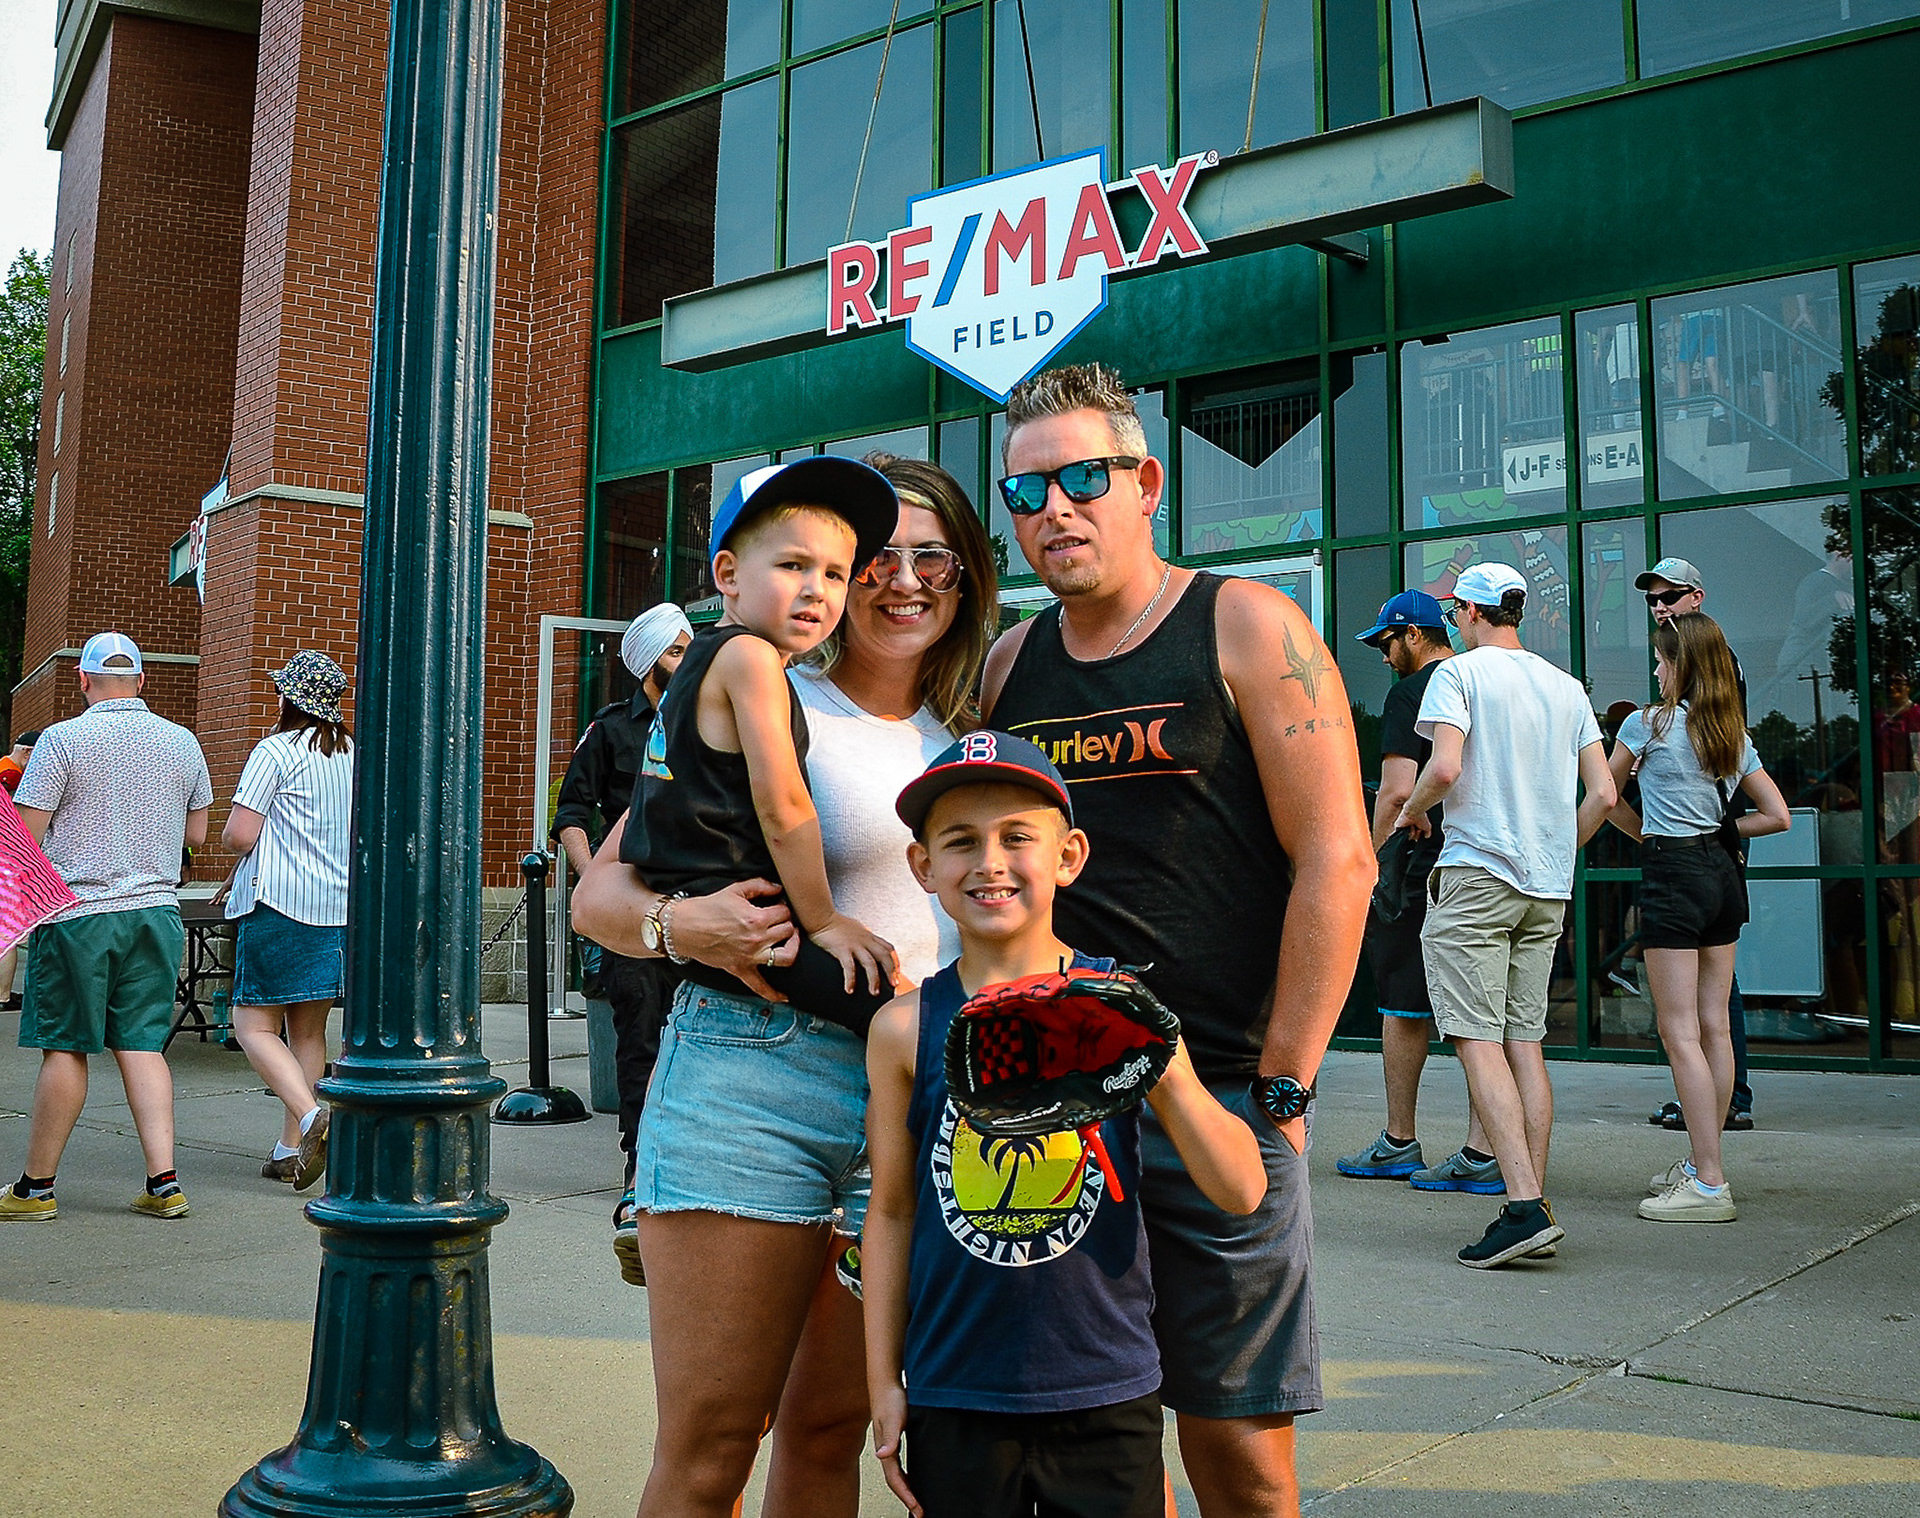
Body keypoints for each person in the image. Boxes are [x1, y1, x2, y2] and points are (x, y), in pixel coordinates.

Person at [570, 451, 999, 1518]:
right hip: (753, 1080)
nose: (903, 581)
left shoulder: (971, 733)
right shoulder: (762, 682)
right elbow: (600, 898)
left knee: (829, 1426)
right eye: (877, 559)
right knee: (714, 1441)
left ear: (966, 577)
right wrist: (685, 927)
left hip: (912, 1095)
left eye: (934, 559)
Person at [981, 362, 1375, 1517]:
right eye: (1026, 491)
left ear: (1146, 484)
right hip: (1058, 1110)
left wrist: (1284, 1091)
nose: (1055, 510)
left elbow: (1338, 860)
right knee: (1098, 1446)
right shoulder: (1011, 664)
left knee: (1239, 1450)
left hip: (1221, 1101)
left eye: (1083, 480)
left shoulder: (1245, 624)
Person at [865, 733, 1265, 1518]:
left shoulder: (1121, 1004)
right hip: (955, 1385)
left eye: (1018, 837)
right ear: (923, 866)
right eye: (960, 841)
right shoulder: (904, 1028)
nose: (990, 862)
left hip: (1104, 1379)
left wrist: (1161, 1064)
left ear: (1069, 856)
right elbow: (892, 1211)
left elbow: (1243, 1190)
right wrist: (884, 1380)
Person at [619, 457, 901, 1019]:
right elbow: (782, 804)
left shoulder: (701, 660)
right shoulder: (751, 657)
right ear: (728, 575)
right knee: (906, 1016)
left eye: (836, 574)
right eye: (793, 565)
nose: (815, 590)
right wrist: (825, 921)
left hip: (696, 905)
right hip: (746, 913)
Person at [1393, 564, 1616, 1267]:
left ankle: (1522, 1207)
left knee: (1475, 1038)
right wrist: (1555, 848)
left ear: (1468, 612)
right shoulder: (1567, 686)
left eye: (1454, 611)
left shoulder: (1458, 675)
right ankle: (1533, 1203)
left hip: (1478, 874)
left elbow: (1444, 769)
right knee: (1525, 1041)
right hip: (1545, 887)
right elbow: (1604, 794)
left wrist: (1410, 811)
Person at [0, 632, 212, 1222]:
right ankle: (164, 1184)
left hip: (79, 916)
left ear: (83, 679)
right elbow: (196, 836)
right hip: (156, 913)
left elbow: (25, 838)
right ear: (142, 680)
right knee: (142, 1045)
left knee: (66, 1047)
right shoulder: (183, 740)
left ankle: (35, 1190)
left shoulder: (62, 740)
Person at [1604, 615, 1789, 1223]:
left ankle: (1709, 1183)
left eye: (1662, 660)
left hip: (1674, 874)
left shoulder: (1646, 724)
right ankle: (1704, 1163)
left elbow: (1605, 796)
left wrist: (1644, 832)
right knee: (1714, 1027)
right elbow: (1778, 815)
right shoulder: (1730, 733)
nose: (1656, 670)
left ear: (1681, 665)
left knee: (1679, 1030)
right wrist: (1724, 832)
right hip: (1722, 873)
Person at [1335, 591, 1500, 1191]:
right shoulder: (1487, 684)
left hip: (1422, 870)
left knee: (1403, 1006)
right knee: (1488, 1016)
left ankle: (1399, 1141)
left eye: (1386, 643)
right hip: (1494, 866)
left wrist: (1368, 860)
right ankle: (1486, 1151)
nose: (1384, 657)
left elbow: (1397, 792)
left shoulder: (1413, 692)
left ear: (1412, 634)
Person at [553, 601, 692, 1283]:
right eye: (675, 650)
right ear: (646, 661)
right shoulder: (610, 729)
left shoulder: (711, 719)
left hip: (702, 910)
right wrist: (595, 882)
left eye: (690, 647)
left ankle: (691, 1173)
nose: (687, 659)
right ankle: (639, 1179)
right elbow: (571, 813)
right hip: (634, 914)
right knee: (641, 1043)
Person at [223, 651, 355, 1192]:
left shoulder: (274, 750)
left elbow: (240, 835)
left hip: (279, 904)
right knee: (307, 1031)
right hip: (337, 909)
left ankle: (310, 1116)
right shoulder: (352, 753)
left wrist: (236, 854)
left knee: (252, 1026)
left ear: (289, 698)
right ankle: (290, 1150)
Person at [1635, 556, 1757, 1129]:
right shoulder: (1688, 678)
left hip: (1698, 848)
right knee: (1709, 1008)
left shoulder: (1707, 661)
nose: (1660, 607)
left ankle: (1718, 1114)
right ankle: (1717, 1110)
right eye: (1652, 600)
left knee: (1700, 1013)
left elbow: (1718, 754)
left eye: (1670, 597)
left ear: (1696, 599)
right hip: (1711, 850)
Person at [0, 729, 43, 1009]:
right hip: (5, 862)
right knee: (7, 933)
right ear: (27, 753)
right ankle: (3, 996)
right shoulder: (11, 777)